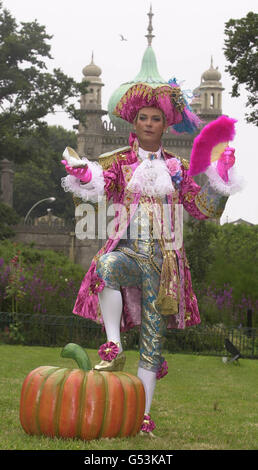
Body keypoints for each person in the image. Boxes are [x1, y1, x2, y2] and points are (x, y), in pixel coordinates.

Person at [61, 81, 239, 435]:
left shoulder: (179, 167)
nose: (148, 124)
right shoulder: (118, 162)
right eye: (142, 117)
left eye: (155, 119)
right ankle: (113, 341)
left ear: (164, 125)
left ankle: (140, 417)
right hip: (128, 254)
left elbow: (202, 209)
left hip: (166, 268)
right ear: (134, 123)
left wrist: (221, 180)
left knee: (153, 344)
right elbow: (94, 192)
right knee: (105, 266)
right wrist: (84, 177)